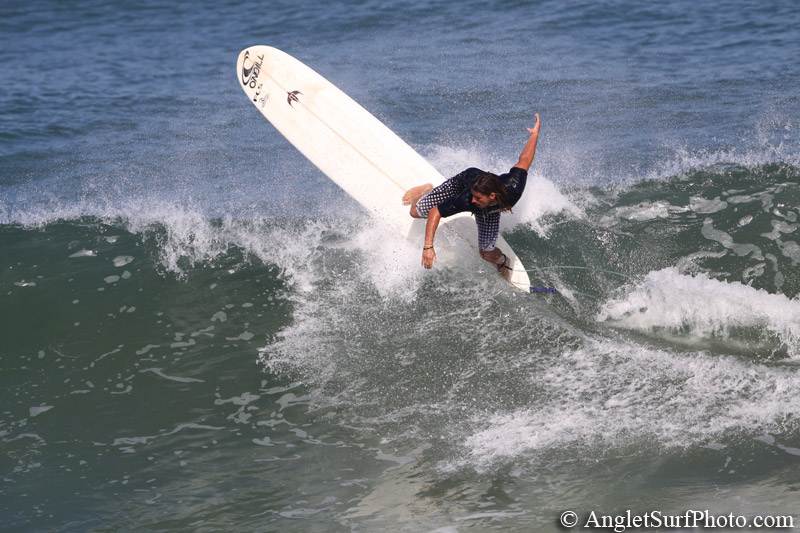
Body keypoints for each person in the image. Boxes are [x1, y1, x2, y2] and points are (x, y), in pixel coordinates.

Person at [402, 113, 541, 277]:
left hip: (490, 209)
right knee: (415, 212)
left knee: (486, 253)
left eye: (478, 198)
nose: (473, 201)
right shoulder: (468, 199)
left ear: (493, 196)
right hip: (462, 181)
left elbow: (525, 159)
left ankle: (503, 261)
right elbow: (436, 211)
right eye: (473, 197)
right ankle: (425, 190)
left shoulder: (514, 187)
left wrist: (534, 134)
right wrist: (428, 247)